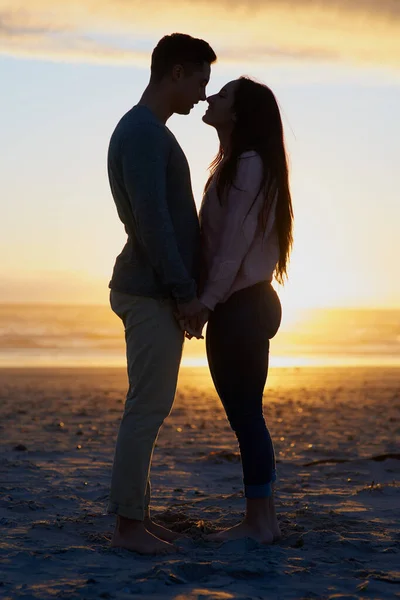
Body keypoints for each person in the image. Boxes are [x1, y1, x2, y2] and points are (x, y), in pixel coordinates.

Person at [107, 33, 216, 554]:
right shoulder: (145, 133)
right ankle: (129, 527)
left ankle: (138, 519)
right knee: (146, 408)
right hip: (149, 290)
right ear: (176, 72)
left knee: (149, 406)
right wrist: (184, 293)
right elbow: (153, 224)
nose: (201, 95)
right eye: (200, 80)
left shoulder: (146, 130)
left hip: (153, 289)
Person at [185, 77, 293, 544]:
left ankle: (258, 522)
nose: (211, 99)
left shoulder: (247, 165)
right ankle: (263, 518)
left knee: (246, 415)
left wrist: (206, 302)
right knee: (248, 413)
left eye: (223, 95)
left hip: (241, 305)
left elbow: (232, 246)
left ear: (240, 114)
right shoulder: (235, 164)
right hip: (249, 303)